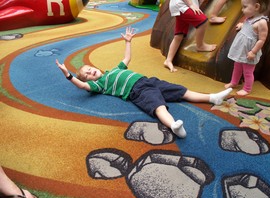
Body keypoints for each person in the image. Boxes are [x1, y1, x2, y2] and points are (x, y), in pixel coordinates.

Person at [56, 27, 232, 138]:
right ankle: (173, 126)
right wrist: (69, 75)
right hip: (137, 91)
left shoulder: (115, 70)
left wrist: (128, 42)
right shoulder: (99, 85)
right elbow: (82, 86)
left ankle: (212, 98)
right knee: (158, 105)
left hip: (148, 81)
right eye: (87, 74)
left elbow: (127, 58)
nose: (90, 72)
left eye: (89, 69)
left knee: (180, 90)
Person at [225, 0, 270, 96]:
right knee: (236, 67)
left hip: (249, 52)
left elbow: (262, 40)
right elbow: (248, 26)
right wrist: (242, 25)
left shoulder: (261, 22)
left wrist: (253, 52)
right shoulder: (249, 18)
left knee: (248, 72)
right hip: (241, 51)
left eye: (245, 7)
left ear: (256, 7)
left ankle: (247, 88)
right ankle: (234, 82)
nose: (242, 10)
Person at [164, 0, 217, 72]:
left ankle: (168, 60)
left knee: (179, 35)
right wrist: (191, 4)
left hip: (178, 6)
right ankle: (200, 46)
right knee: (203, 21)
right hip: (182, 6)